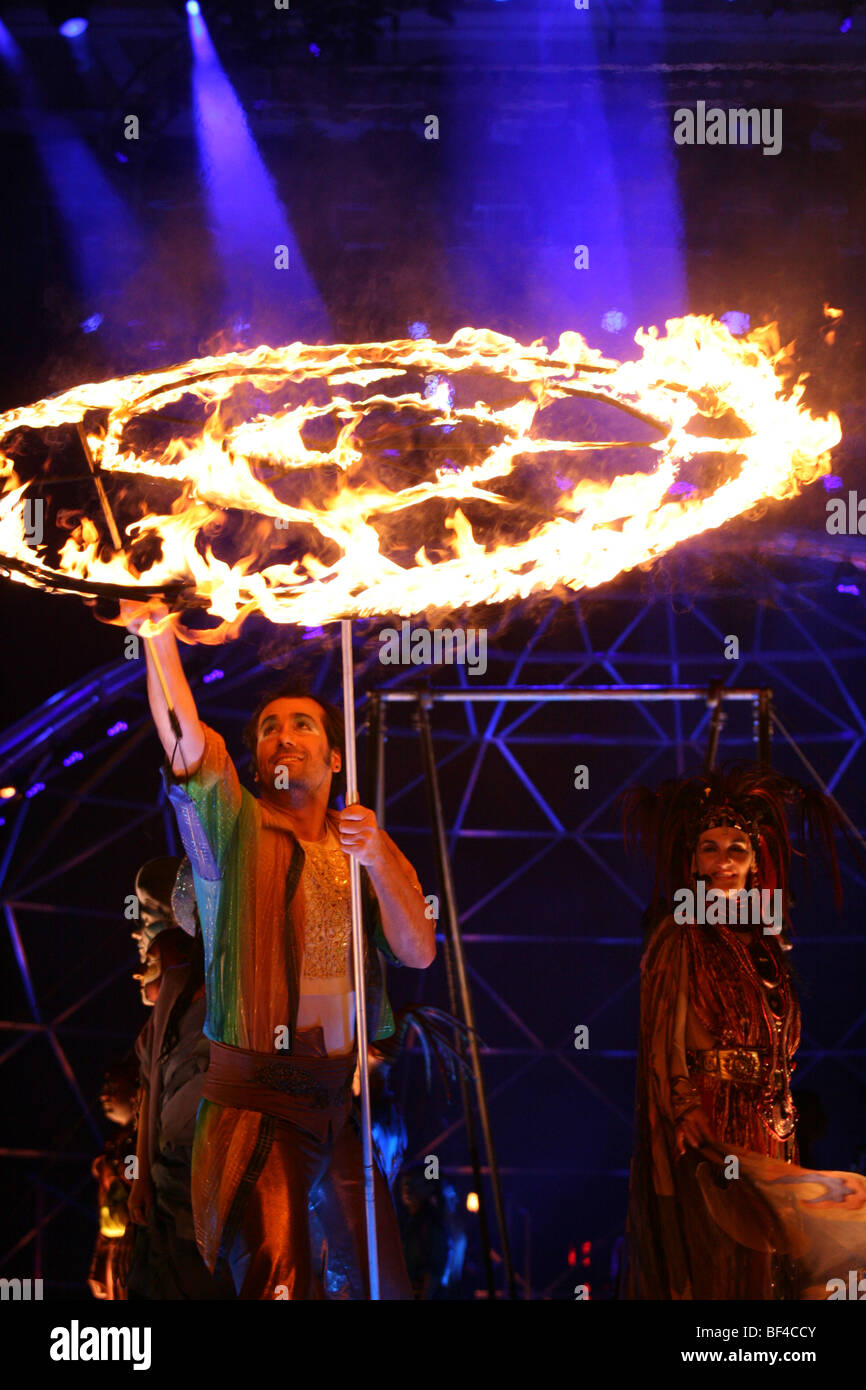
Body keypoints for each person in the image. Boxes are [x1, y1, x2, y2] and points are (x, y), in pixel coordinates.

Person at [117, 599, 435, 1299]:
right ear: (256, 759)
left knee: (380, 1288)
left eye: (302, 725)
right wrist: (158, 639)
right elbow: (185, 744)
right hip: (257, 1104)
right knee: (279, 1285)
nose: (284, 738)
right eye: (268, 729)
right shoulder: (236, 824)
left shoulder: (364, 851)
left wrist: (379, 855)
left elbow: (417, 951)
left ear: (333, 753)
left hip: (336, 1106)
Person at [620, 764, 863, 1300]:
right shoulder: (680, 934)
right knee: (723, 1260)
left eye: (737, 848)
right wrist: (686, 1112)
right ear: (693, 861)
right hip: (714, 1119)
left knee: (777, 1262)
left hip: (772, 1122)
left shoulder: (765, 944)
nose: (725, 860)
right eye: (711, 847)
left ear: (755, 862)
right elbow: (666, 1036)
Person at [127, 862, 234, 1299]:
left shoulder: (227, 981)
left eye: (151, 923)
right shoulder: (173, 990)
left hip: (212, 1155)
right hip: (171, 1164)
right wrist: (142, 1176)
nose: (141, 940)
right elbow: (151, 1087)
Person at [88, 1058, 139, 1300]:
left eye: (112, 1089)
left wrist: (134, 1231)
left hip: (136, 1248)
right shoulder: (113, 1146)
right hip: (114, 1248)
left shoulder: (141, 1142)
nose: (104, 1097)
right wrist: (99, 1257)